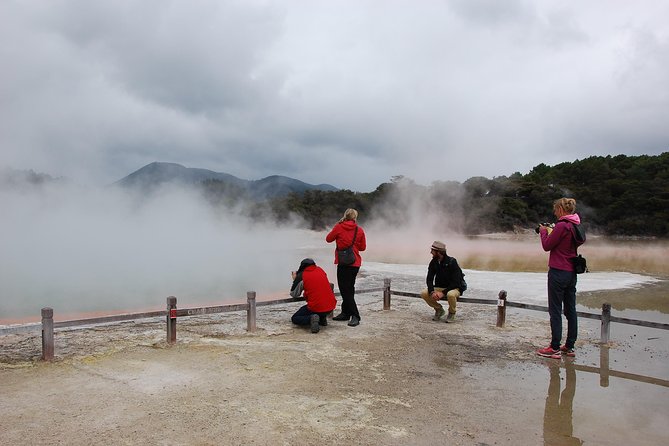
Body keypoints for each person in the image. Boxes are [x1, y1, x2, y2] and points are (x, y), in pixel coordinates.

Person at [536, 198, 585, 358]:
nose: (555, 213)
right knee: (571, 310)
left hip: (558, 271)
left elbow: (547, 246)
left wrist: (544, 231)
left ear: (561, 209)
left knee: (555, 310)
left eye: (556, 210)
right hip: (572, 272)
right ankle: (569, 346)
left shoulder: (562, 225)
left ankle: (554, 347)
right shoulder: (575, 225)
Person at [326, 208, 367, 327]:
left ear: (345, 216)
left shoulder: (339, 227)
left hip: (344, 263)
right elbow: (363, 248)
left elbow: (328, 239)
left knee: (345, 290)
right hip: (355, 263)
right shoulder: (359, 230)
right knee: (349, 288)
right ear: (355, 218)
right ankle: (345, 312)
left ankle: (355, 316)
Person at [420, 241, 465, 322]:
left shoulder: (452, 262)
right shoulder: (434, 262)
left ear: (439, 252)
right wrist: (432, 292)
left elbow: (456, 282)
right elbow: (429, 279)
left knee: (450, 294)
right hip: (439, 287)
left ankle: (452, 313)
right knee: (424, 293)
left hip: (454, 288)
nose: (431, 252)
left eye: (432, 251)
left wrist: (443, 293)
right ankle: (439, 310)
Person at [290, 258, 337, 334]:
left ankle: (311, 318)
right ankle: (322, 318)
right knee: (319, 303)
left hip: (316, 307)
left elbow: (294, 294)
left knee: (295, 318)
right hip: (330, 307)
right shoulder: (320, 270)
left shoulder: (302, 275)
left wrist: (295, 279)